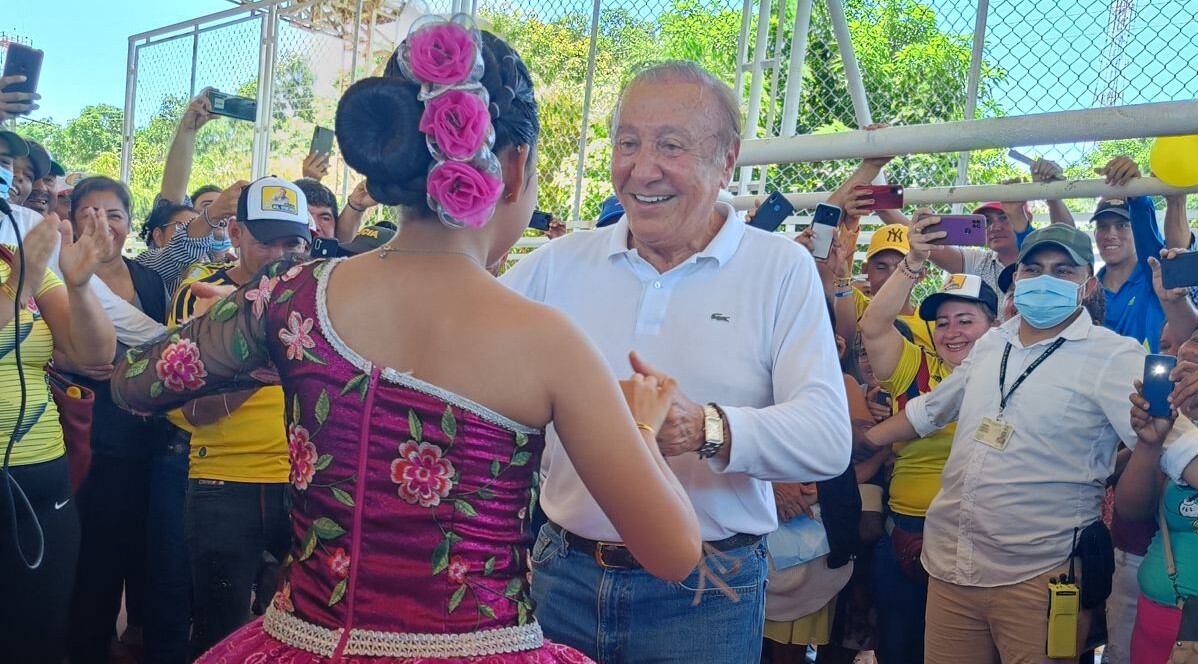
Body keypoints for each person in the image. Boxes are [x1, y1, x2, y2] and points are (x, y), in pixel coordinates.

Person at [112, 21, 701, 663]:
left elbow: (135, 382)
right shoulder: (551, 341)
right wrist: (641, 427)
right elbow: (673, 551)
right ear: (514, 167)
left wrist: (282, 358)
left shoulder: (292, 298)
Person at [502, 60, 851, 663]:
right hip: (562, 573)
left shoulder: (777, 269)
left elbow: (826, 439)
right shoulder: (557, 264)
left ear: (727, 159)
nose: (642, 169)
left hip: (707, 590)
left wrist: (705, 429)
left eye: (672, 146)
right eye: (628, 143)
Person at [862, 224, 1198, 663]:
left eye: (1063, 270)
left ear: (1088, 284)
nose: (1045, 280)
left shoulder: (1112, 356)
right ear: (1016, 279)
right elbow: (930, 410)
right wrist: (860, 442)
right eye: (1034, 269)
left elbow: (1182, 448)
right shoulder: (992, 344)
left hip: (1037, 578)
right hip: (949, 569)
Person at [161, 176, 310, 657]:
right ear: (235, 235)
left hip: (308, 485)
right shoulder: (201, 293)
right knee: (218, 630)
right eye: (267, 241)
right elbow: (186, 409)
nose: (281, 254)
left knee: (304, 633)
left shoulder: (320, 294)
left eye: (293, 242)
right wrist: (253, 358)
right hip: (222, 481)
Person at [858, 212, 1001, 664]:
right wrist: (914, 261)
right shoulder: (916, 367)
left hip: (983, 539)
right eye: (943, 323)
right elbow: (873, 326)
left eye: (965, 320)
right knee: (901, 650)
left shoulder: (1012, 376)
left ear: (994, 327)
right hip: (906, 534)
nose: (952, 332)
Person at [56, 177, 170, 664]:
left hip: (147, 435)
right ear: (73, 221)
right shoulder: (57, 276)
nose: (102, 224)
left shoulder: (150, 279)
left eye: (115, 214)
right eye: (89, 213)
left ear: (129, 222)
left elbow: (165, 351)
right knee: (94, 557)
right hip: (88, 434)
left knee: (138, 547)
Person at [0, 208, 116, 663]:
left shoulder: (14, 259)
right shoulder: (21, 271)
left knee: (38, 641)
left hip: (41, 482)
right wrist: (18, 289)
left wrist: (80, 284)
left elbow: (95, 354)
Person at [1089, 157, 1193, 353]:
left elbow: (1150, 238)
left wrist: (1137, 195)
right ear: (1095, 234)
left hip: (1153, 381)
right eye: (1103, 226)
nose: (1111, 234)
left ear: (1134, 229)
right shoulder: (1088, 289)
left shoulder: (1154, 275)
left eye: (1122, 225)